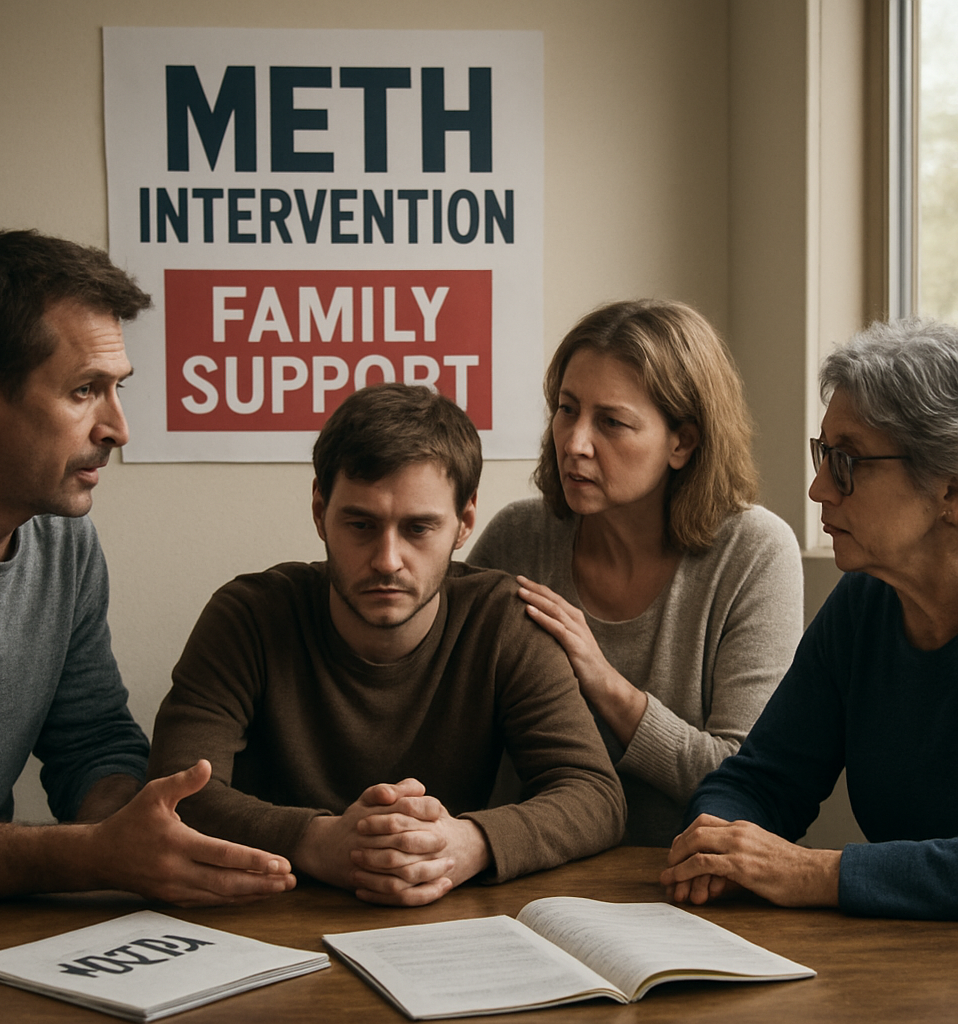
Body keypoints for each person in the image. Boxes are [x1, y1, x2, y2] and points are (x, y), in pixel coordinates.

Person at [148, 382, 627, 907]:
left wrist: (468, 843)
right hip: (268, 916)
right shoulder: (248, 617)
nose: (387, 559)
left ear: (464, 523)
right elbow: (173, 796)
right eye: (361, 524)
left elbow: (594, 796)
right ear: (319, 510)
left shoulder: (504, 623)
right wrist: (315, 840)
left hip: (445, 920)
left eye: (419, 528)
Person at [0, 229, 295, 905]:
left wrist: (130, 828)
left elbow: (92, 739)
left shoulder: (65, 546)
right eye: (84, 391)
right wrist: (88, 858)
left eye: (118, 389)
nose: (118, 428)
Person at [470, 300, 803, 846]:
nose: (574, 443)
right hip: (525, 871)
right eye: (566, 409)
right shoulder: (518, 536)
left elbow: (748, 783)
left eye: (612, 422)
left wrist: (605, 684)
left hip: (683, 884)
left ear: (682, 442)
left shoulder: (755, 552)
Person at [663, 317, 958, 919]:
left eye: (847, 462)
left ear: (950, 491)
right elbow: (761, 780)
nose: (818, 489)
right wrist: (718, 843)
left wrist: (818, 873)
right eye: (824, 454)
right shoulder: (864, 602)